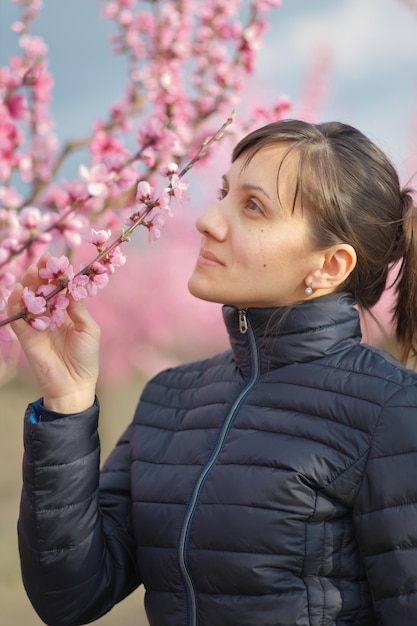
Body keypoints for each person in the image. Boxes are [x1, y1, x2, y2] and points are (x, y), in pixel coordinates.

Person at [8, 119, 417, 626]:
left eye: (252, 206)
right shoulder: (169, 398)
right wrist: (66, 404)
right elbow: (68, 595)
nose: (208, 220)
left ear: (329, 266)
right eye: (224, 193)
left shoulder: (393, 411)